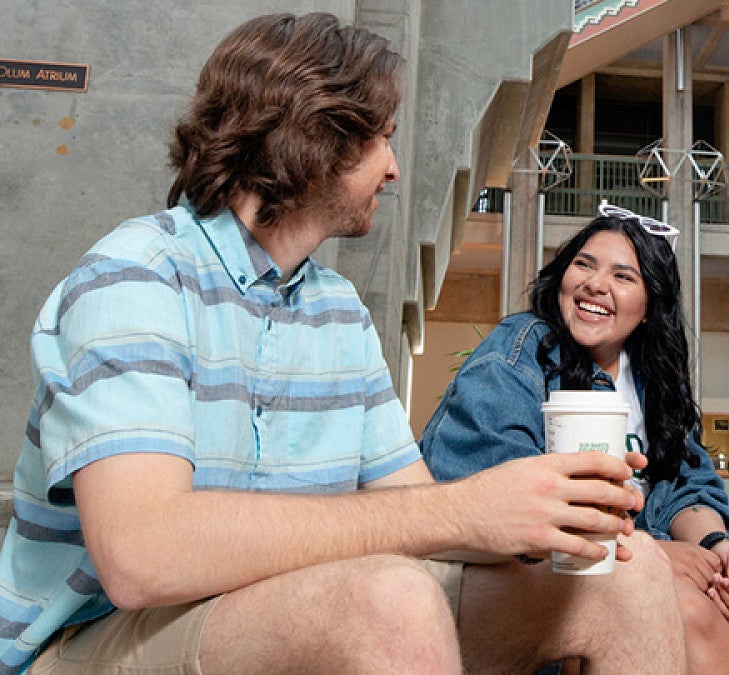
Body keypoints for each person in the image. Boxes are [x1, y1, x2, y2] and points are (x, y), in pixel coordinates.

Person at [0, 14, 689, 674]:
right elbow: (141, 555)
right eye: (382, 138)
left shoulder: (338, 310)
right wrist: (461, 509)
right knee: (388, 599)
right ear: (316, 138)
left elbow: (419, 512)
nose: (393, 169)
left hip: (291, 609)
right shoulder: (137, 273)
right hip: (95, 638)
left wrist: (538, 513)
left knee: (629, 578)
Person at [421, 208, 729, 674]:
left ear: (650, 307)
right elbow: (496, 497)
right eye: (583, 264)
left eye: (623, 275)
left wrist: (712, 544)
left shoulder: (651, 378)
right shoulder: (519, 352)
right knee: (685, 609)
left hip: (643, 551)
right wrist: (654, 555)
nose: (595, 284)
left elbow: (686, 482)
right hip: (543, 569)